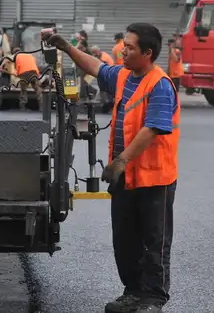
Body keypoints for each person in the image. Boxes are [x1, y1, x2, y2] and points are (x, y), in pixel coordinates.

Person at [41, 23, 179, 313]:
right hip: (126, 178)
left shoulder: (160, 84)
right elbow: (96, 68)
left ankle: (153, 298)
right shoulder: (123, 76)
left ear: (148, 53)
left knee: (155, 242)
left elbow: (153, 128)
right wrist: (66, 47)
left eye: (129, 48)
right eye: (124, 45)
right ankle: (132, 293)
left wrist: (120, 161)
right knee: (125, 241)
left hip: (154, 180)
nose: (123, 51)